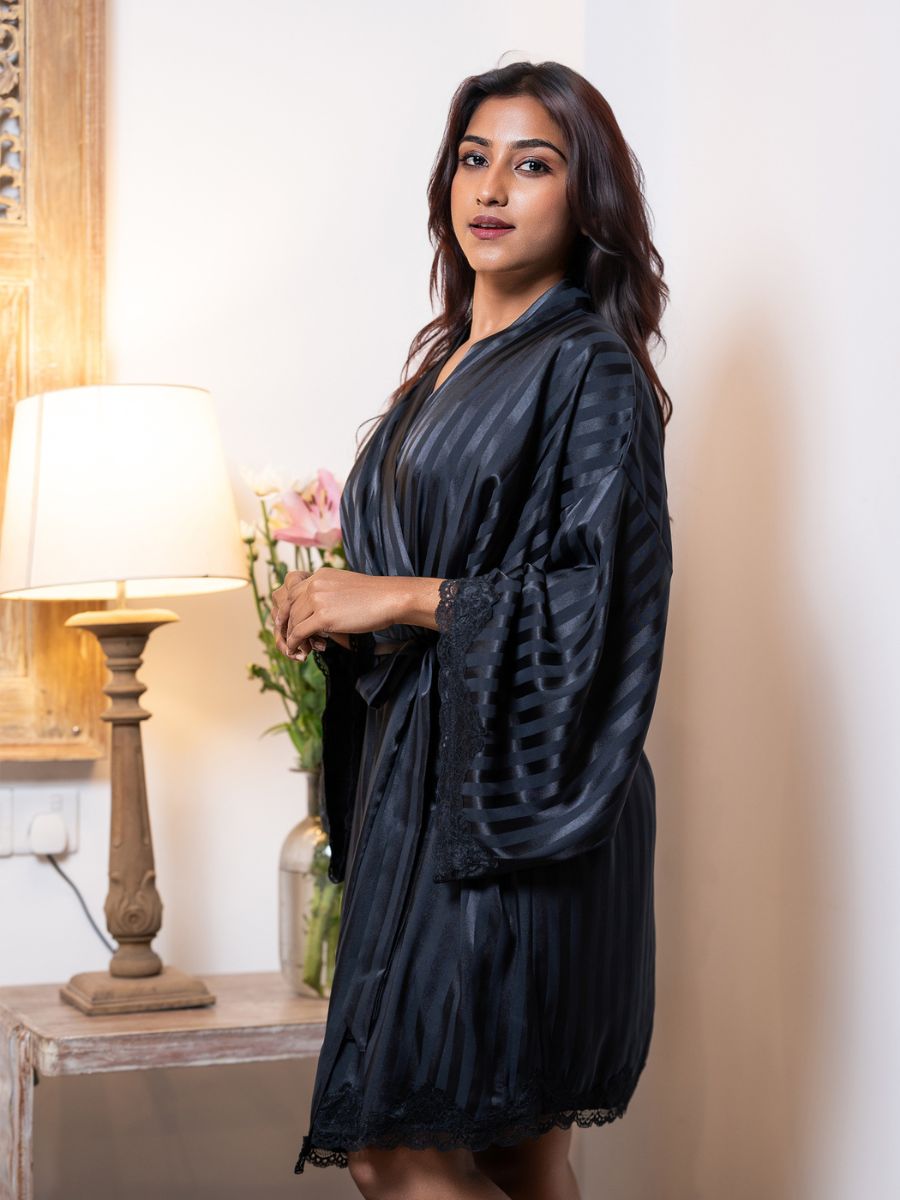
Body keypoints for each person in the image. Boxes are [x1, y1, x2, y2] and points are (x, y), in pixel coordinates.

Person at [274, 59, 674, 1200]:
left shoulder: (589, 367)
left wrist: (396, 597)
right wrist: (343, 609)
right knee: (518, 1154)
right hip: (424, 790)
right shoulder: (441, 366)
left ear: (584, 198)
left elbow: (601, 599)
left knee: (396, 1146)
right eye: (472, 159)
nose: (491, 188)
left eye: (532, 165)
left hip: (520, 804)